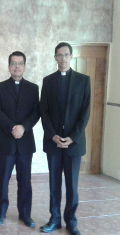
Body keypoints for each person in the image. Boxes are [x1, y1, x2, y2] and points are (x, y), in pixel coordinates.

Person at [40, 42, 90, 235]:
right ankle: (54, 220)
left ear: (71, 57)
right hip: (53, 143)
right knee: (54, 184)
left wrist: (72, 137)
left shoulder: (83, 81)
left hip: (73, 144)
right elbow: (43, 111)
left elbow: (85, 114)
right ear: (55, 58)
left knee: (72, 186)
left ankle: (71, 222)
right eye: (59, 55)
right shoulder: (48, 81)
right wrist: (52, 135)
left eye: (66, 55)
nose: (63, 58)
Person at [0, 51, 40, 227]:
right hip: (6, 141)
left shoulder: (33, 88)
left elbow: (36, 112)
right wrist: (12, 127)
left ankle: (25, 214)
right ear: (9, 66)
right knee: (3, 179)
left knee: (25, 180)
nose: (16, 66)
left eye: (20, 63)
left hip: (25, 143)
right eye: (13, 63)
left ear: (24, 66)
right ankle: (1, 213)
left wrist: (23, 127)